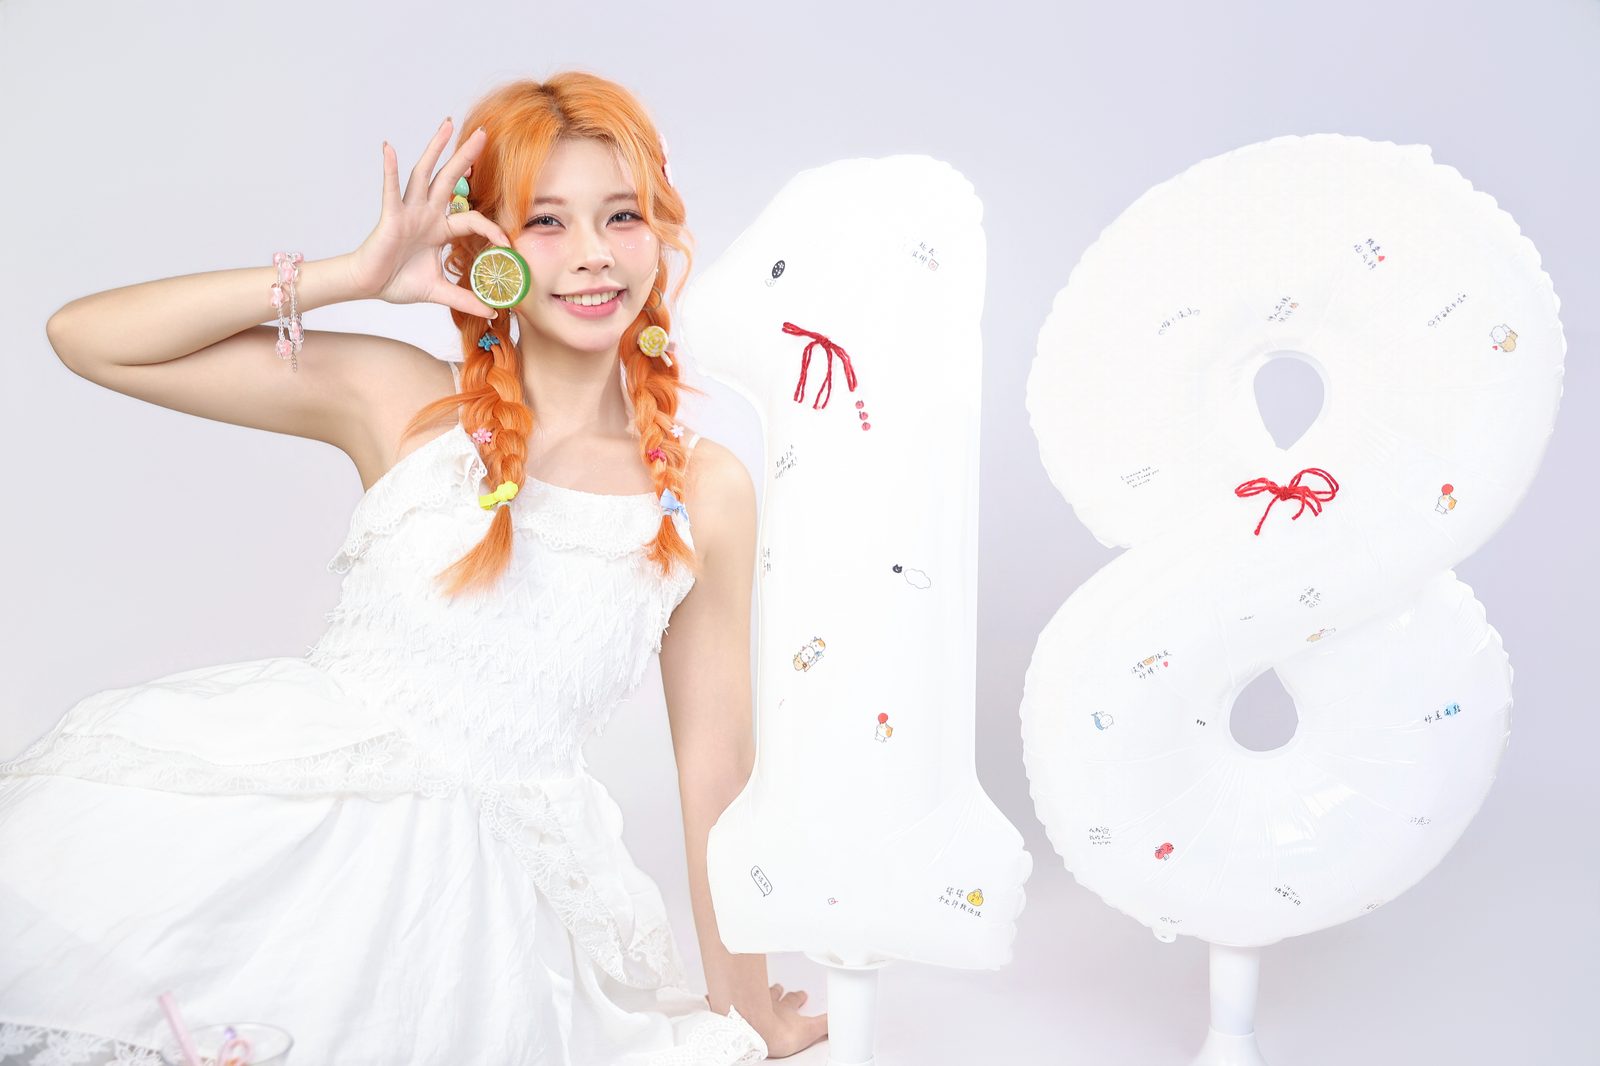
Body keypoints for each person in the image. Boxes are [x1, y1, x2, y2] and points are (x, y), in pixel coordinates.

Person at [0, 71, 827, 1064]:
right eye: (548, 221)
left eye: (622, 215)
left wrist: (746, 1007)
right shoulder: (403, 402)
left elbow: (714, 768)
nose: (595, 253)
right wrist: (350, 275)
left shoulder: (704, 487)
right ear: (486, 249)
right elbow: (89, 340)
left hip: (485, 918)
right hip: (286, 843)